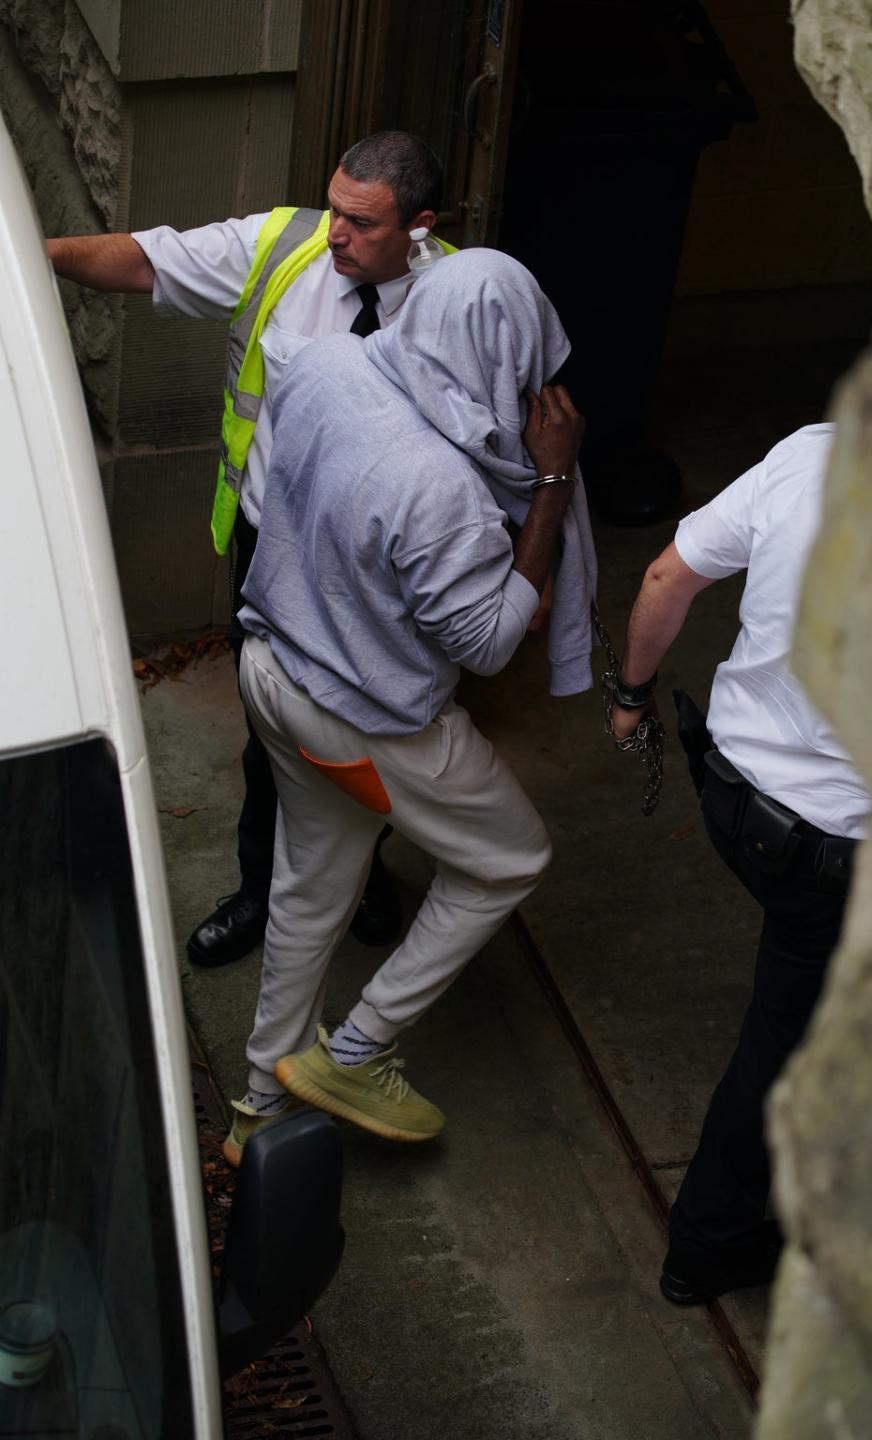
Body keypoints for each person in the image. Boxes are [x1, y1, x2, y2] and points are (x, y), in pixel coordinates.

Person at [222, 247, 597, 1164]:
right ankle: (359, 1048)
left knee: (309, 894)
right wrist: (548, 485)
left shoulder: (322, 362)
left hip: (272, 671)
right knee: (509, 859)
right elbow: (490, 642)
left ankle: (260, 1107)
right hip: (367, 717)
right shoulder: (444, 494)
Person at [47, 130, 448, 966]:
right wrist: (27, 251)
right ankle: (259, 894)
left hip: (383, 569)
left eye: (361, 223)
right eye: (334, 208)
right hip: (276, 554)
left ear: (419, 227)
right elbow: (145, 261)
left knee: (374, 730)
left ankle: (363, 875)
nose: (334, 233)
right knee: (274, 734)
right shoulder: (283, 245)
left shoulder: (461, 293)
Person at [609, 424, 871, 1305]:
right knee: (782, 1045)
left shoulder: (816, 450)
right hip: (830, 856)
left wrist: (630, 696)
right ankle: (705, 1246)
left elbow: (665, 578)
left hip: (728, 789)